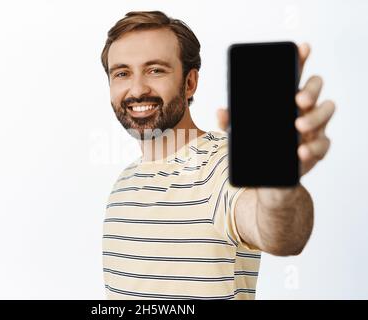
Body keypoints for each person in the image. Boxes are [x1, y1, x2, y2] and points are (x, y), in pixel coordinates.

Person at [100, 10, 335, 300]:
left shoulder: (221, 163)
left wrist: (278, 191)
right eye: (122, 73)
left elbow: (281, 235)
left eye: (155, 70)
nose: (136, 89)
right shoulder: (124, 181)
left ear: (190, 83)